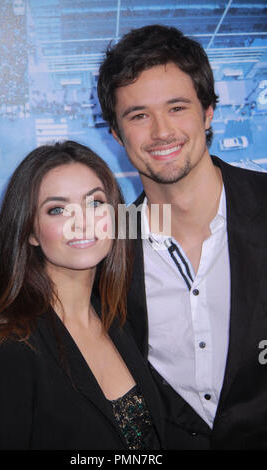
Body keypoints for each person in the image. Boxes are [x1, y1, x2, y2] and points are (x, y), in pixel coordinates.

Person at [97, 24, 267, 450]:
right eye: (138, 115)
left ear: (208, 113)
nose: (161, 132)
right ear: (116, 133)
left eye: (177, 108)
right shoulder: (103, 248)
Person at [0, 140, 164, 450]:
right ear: (31, 232)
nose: (81, 222)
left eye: (95, 203)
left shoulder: (118, 319)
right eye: (57, 209)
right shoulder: (6, 346)